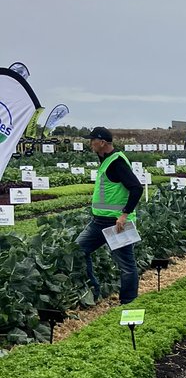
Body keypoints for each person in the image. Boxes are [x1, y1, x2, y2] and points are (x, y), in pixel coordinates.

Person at [76, 127, 142, 304]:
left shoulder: (117, 162)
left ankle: (129, 302)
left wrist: (124, 214)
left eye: (92, 141)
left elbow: (137, 188)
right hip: (98, 222)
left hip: (116, 224)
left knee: (126, 266)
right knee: (78, 251)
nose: (90, 144)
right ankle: (92, 292)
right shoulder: (105, 159)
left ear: (102, 142)